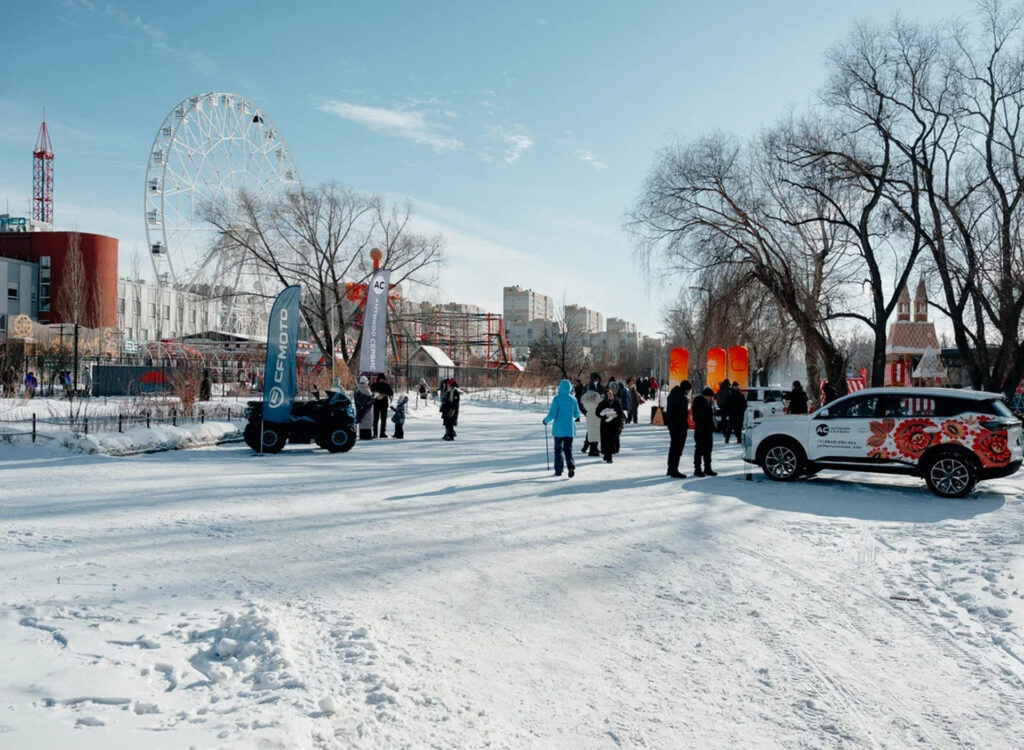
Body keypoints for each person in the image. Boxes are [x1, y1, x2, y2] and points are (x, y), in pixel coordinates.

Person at [543, 379, 581, 477]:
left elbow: (552, 414)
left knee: (558, 450)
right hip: (569, 429)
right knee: (568, 449)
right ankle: (571, 467)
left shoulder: (557, 399)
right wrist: (569, 416)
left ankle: (558, 470)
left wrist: (545, 420)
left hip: (558, 429)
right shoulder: (573, 399)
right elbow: (577, 415)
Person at [665, 379, 691, 478]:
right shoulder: (682, 398)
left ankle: (670, 468)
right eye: (688, 390)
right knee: (678, 448)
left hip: (672, 425)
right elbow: (683, 414)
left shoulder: (672, 395)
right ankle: (674, 469)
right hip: (679, 426)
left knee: (673, 447)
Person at [692, 386, 718, 477]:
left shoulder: (709, 404)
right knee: (699, 449)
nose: (711, 399)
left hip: (708, 430)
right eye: (710, 397)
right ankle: (697, 469)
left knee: (708, 450)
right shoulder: (699, 403)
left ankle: (707, 468)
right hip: (700, 430)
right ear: (706, 396)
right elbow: (697, 417)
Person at [595, 388, 625, 463]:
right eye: (608, 394)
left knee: (612, 440)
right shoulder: (602, 403)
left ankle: (608, 455)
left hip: (614, 425)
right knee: (606, 441)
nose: (610, 396)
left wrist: (617, 418)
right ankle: (608, 456)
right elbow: (597, 412)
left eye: (611, 394)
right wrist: (604, 416)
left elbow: (620, 413)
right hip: (605, 425)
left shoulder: (617, 402)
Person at [580, 383, 603, 456]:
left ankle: (592, 448)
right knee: (596, 431)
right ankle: (593, 449)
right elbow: (601, 404)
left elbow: (582, 405)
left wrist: (585, 412)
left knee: (590, 431)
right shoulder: (596, 395)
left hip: (589, 415)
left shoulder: (584, 396)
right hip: (596, 415)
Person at [371, 373, 394, 438]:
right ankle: (375, 433)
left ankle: (382, 433)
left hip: (383, 404)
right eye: (380, 379)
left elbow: (391, 393)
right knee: (376, 419)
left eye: (382, 379)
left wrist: (383, 395)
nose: (381, 380)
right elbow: (371, 393)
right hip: (377, 404)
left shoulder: (385, 385)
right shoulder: (375, 385)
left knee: (383, 419)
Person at [355, 376, 375, 440]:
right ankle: (367, 436)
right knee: (367, 421)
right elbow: (369, 400)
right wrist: (373, 396)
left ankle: (362, 435)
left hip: (360, 409)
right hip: (367, 410)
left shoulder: (358, 389)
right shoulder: (366, 389)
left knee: (362, 422)